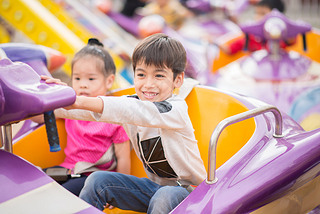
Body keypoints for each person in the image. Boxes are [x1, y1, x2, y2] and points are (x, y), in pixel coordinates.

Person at [42, 33, 206, 213]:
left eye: (159, 76)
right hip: (154, 189)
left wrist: (77, 100)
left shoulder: (175, 109)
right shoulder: (135, 102)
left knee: (165, 195)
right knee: (98, 181)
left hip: (193, 195)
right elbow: (87, 111)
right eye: (141, 74)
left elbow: (127, 109)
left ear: (178, 80)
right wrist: (54, 98)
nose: (148, 84)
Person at [38, 38, 131, 196]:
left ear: (109, 81)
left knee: (60, 196)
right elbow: (39, 117)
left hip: (93, 175)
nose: (83, 84)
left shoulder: (114, 114)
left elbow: (123, 157)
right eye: (77, 78)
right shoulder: (69, 106)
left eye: (91, 79)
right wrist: (47, 93)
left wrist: (120, 191)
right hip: (67, 169)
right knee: (34, 186)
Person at [216, 0, 292, 55]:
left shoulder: (282, 36)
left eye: (263, 13)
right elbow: (229, 50)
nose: (258, 17)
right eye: (257, 13)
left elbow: (292, 40)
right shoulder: (251, 37)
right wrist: (214, 41)